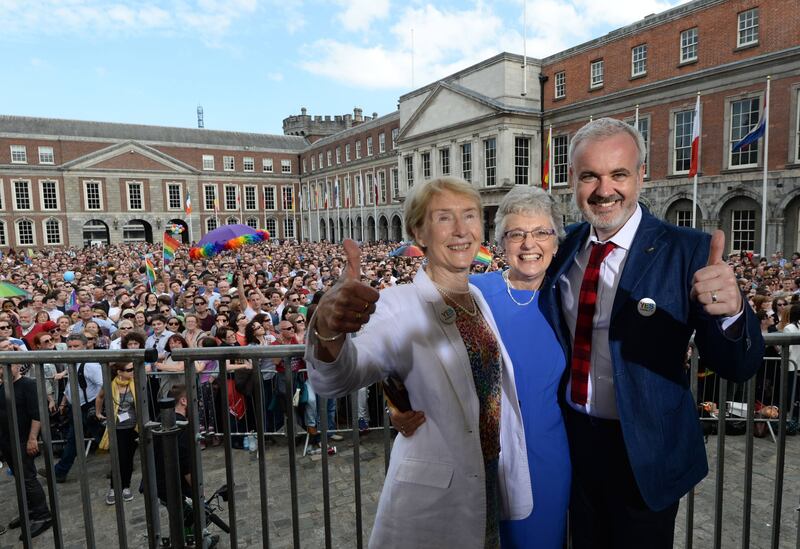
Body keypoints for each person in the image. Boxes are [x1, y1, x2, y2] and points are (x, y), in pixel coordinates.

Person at [546, 117, 763, 548]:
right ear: (573, 180)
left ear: (642, 175)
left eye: (619, 174)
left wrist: (734, 311)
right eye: (590, 175)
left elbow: (738, 366)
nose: (604, 190)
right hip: (572, 445)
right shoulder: (564, 246)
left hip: (644, 451)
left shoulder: (689, 250)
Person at [306, 177, 531, 549]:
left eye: (470, 216)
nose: (461, 230)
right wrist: (328, 331)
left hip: (488, 476)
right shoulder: (397, 304)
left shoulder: (475, 295)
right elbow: (341, 377)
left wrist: (398, 403)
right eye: (445, 218)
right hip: (436, 493)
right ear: (418, 232)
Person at [468, 186, 569, 547]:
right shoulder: (472, 293)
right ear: (500, 243)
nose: (529, 244)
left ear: (556, 242)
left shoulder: (568, 298)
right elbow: (411, 347)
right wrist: (401, 404)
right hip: (479, 455)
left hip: (545, 453)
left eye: (542, 232)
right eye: (516, 234)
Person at [0, 354, 53, 540]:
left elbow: (37, 414)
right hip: (7, 441)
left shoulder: (28, 385)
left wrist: (32, 439)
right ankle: (31, 510)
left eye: (7, 366)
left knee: (28, 479)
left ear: (17, 366)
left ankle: (43, 515)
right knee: (20, 478)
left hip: (23, 440)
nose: (3, 371)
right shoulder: (2, 386)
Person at [50, 334, 104, 483]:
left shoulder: (90, 365)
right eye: (70, 346)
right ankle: (59, 472)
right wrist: (64, 402)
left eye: (76, 346)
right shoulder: (72, 362)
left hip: (89, 407)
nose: (72, 349)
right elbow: (70, 385)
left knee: (105, 438)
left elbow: (103, 384)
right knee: (73, 440)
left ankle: (123, 465)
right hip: (77, 407)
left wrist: (97, 406)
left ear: (85, 346)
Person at [96, 362, 139, 505]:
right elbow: (99, 397)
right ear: (120, 372)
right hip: (116, 428)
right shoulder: (110, 385)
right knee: (118, 458)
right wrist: (98, 412)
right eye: (129, 369)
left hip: (133, 427)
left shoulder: (135, 383)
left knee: (128, 459)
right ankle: (114, 488)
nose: (133, 371)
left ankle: (126, 486)